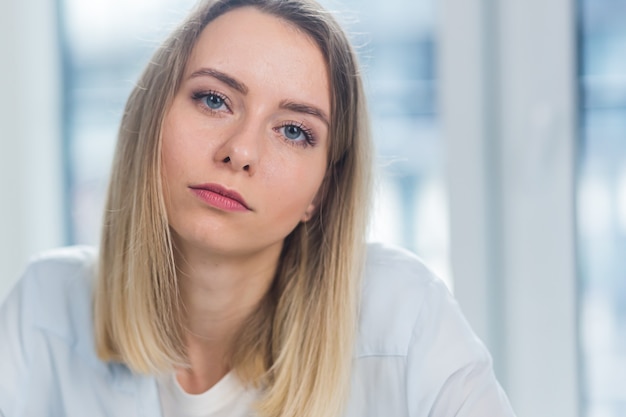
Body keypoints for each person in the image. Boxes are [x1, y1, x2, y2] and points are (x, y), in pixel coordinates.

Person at [0, 0, 516, 416]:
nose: (241, 151)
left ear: (323, 191)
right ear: (153, 115)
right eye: (214, 99)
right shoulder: (47, 305)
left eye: (294, 131)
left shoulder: (403, 314)